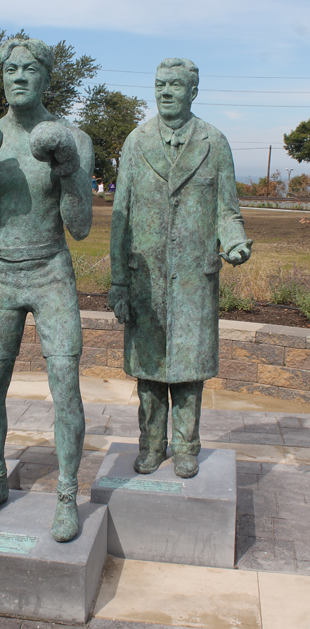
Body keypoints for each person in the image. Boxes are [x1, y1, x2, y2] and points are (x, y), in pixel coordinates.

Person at [0, 38, 94, 542]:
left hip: (51, 270)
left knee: (65, 387)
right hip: (2, 273)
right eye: (10, 69)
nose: (18, 77)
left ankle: (66, 494)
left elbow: (79, 228)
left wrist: (70, 171)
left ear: (46, 78)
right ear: (2, 76)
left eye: (29, 69)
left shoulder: (72, 137)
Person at [108, 58, 252, 479]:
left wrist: (235, 241)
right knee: (149, 374)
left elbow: (227, 211)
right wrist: (118, 282)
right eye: (159, 84)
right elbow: (121, 218)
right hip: (145, 280)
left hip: (194, 278)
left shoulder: (215, 142)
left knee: (189, 372)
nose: (166, 91)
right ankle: (152, 445)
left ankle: (187, 446)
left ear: (193, 91)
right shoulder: (136, 143)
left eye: (175, 84)